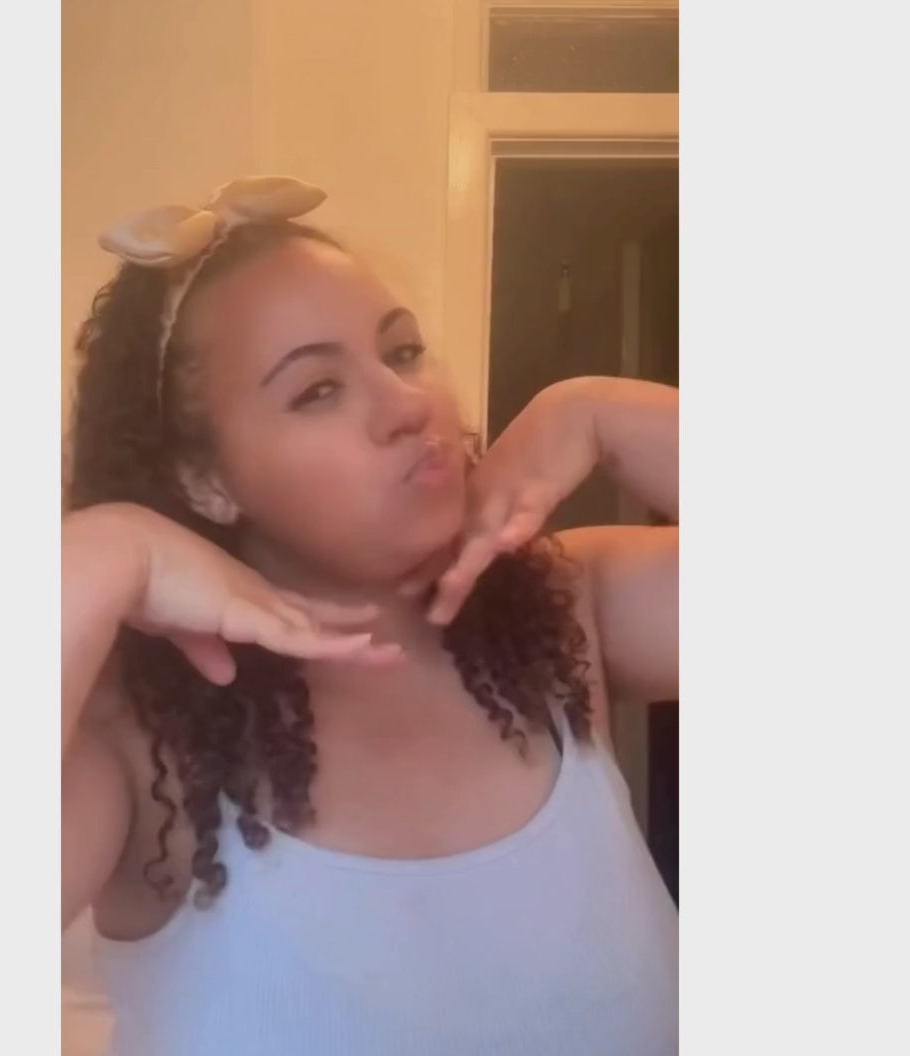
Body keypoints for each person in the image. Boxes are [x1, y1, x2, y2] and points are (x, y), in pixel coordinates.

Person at [62, 176, 679, 1056]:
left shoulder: (563, 611)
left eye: (403, 352)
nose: (407, 404)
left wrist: (597, 410)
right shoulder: (132, 739)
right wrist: (103, 551)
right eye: (318, 390)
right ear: (205, 480)